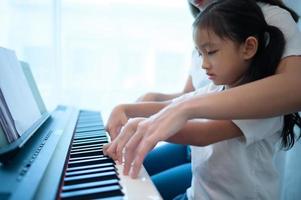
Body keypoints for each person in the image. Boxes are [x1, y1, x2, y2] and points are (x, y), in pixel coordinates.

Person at [104, 0, 301, 199]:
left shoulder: (256, 105)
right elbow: (176, 104)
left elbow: (201, 134)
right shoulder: (216, 87)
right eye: (200, 54)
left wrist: (143, 125)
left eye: (211, 53)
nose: (204, 64)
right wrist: (126, 109)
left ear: (248, 47)